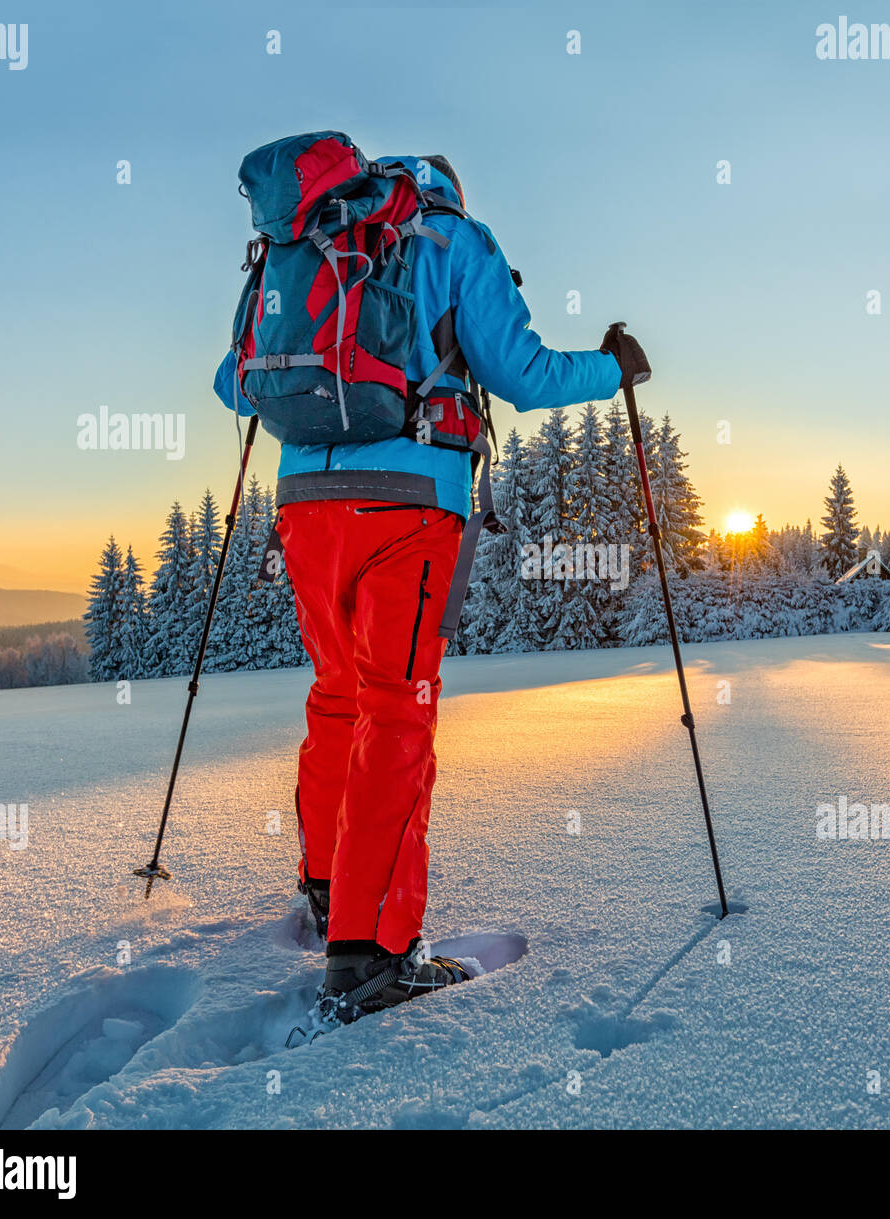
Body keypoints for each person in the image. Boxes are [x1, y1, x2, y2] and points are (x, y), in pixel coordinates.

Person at [215, 152, 649, 1020]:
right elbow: (522, 374)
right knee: (397, 707)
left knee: (338, 695)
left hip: (304, 508)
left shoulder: (306, 239)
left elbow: (236, 383)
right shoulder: (453, 239)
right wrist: (615, 368)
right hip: (409, 508)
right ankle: (371, 954)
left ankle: (330, 889)